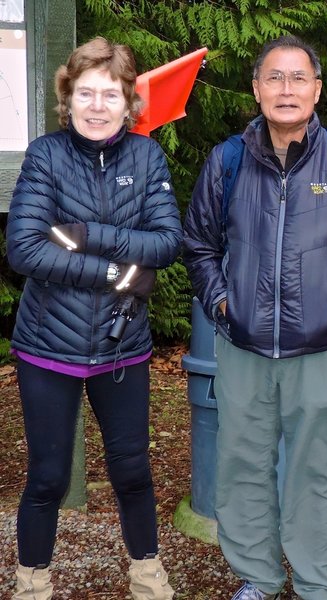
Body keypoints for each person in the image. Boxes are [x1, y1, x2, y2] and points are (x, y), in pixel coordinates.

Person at [183, 35, 327, 600]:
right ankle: (258, 577)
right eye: (274, 78)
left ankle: (314, 585)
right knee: (241, 468)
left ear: (317, 88)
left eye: (298, 77)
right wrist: (221, 304)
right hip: (243, 347)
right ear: (256, 90)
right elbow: (199, 245)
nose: (286, 89)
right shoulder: (227, 160)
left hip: (322, 351)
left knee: (313, 474)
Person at [6, 37, 182, 599]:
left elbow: (167, 242)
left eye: (111, 94)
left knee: (132, 473)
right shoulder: (46, 155)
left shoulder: (146, 157)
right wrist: (116, 271)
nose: (98, 106)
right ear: (69, 96)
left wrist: (85, 237)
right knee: (48, 478)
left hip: (120, 348)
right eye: (86, 93)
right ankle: (32, 583)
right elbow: (26, 250)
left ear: (130, 101)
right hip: (47, 349)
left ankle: (147, 575)